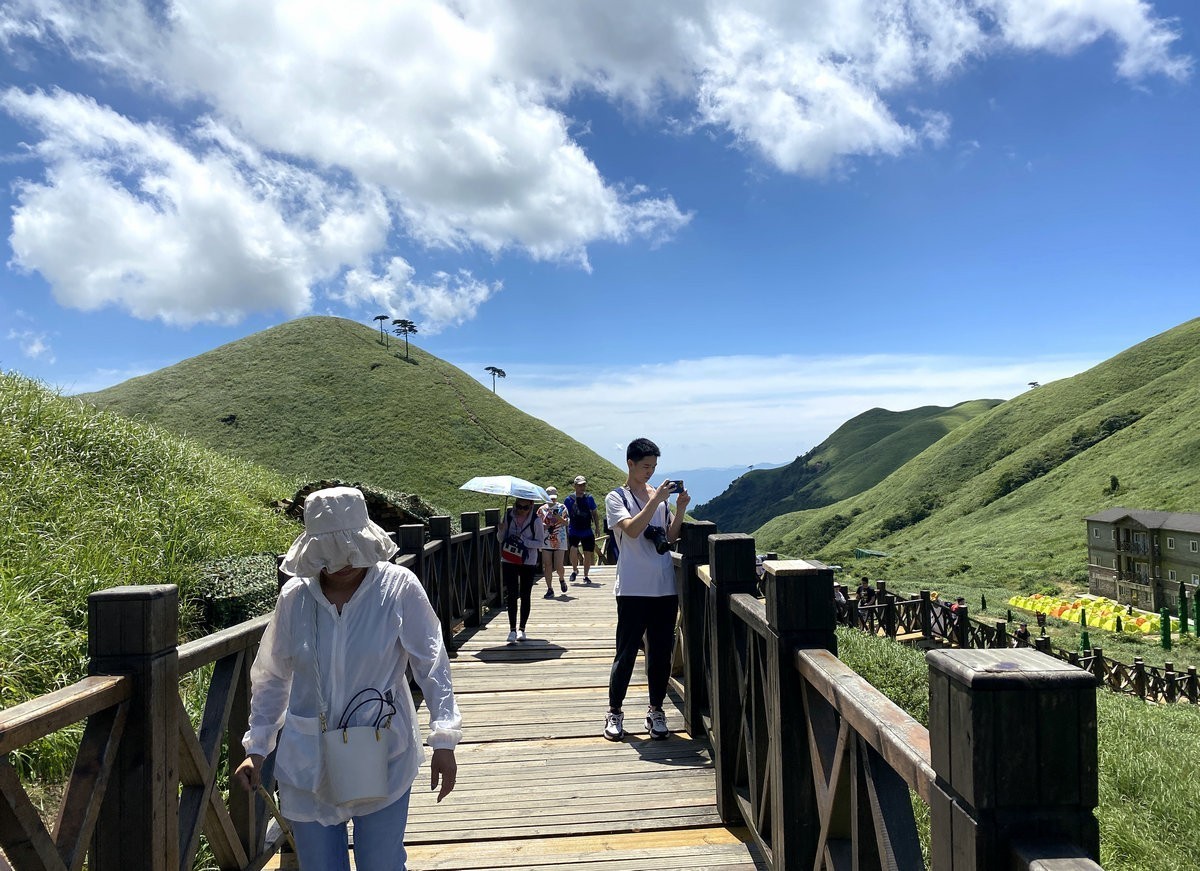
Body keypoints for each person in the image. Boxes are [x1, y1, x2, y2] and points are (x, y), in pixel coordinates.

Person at [232, 486, 461, 871]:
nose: (345, 562)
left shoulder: (397, 587)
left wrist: (444, 739)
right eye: (333, 553)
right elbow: (272, 675)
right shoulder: (294, 597)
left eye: (352, 548)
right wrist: (257, 746)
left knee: (381, 863)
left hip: (384, 750)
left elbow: (432, 662)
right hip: (309, 758)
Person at [602, 438, 689, 741]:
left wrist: (678, 509)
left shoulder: (659, 498)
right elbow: (633, 530)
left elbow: (670, 537)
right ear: (630, 463)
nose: (650, 472)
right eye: (645, 466)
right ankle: (614, 711)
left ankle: (656, 710)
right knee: (625, 653)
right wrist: (655, 500)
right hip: (632, 587)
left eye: (653, 466)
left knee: (661, 653)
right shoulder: (616, 498)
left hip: (664, 586)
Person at [497, 498, 544, 641]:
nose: (521, 510)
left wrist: (524, 541)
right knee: (511, 594)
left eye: (525, 507)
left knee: (525, 594)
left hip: (527, 561)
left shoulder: (536, 521)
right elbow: (501, 539)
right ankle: (512, 630)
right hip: (509, 559)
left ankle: (522, 629)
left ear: (530, 507)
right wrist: (501, 531)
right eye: (518, 506)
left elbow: (540, 542)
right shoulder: (508, 516)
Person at [565, 475, 600, 584]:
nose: (582, 487)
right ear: (574, 486)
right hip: (574, 529)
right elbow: (565, 513)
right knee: (573, 550)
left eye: (584, 485)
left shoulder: (589, 498)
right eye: (580, 485)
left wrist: (597, 527)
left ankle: (586, 575)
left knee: (588, 553)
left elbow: (594, 513)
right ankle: (575, 570)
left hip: (587, 530)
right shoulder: (569, 499)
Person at [538, 486, 569, 595]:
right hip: (546, 539)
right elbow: (537, 525)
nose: (552, 500)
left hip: (560, 539)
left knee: (558, 565)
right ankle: (549, 588)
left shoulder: (563, 507)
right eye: (550, 498)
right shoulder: (541, 509)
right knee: (547, 565)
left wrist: (558, 517)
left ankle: (561, 578)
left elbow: (566, 523)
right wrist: (544, 526)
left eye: (554, 498)